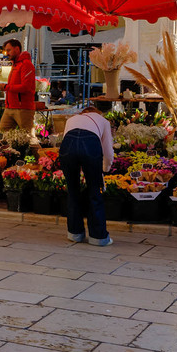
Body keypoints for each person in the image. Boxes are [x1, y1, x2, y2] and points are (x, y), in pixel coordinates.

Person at [59, 95, 115, 247]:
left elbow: (67, 142)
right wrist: (104, 170)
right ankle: (98, 237)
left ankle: (75, 234)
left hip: (68, 146)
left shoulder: (71, 120)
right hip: (90, 144)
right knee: (94, 191)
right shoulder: (103, 121)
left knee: (73, 190)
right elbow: (108, 151)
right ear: (97, 113)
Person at [0, 39, 37, 133]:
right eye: (6, 51)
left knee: (27, 136)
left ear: (17, 49)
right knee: (3, 131)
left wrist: (5, 87)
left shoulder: (26, 65)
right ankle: (11, 147)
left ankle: (36, 148)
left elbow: (25, 87)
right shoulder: (15, 65)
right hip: (10, 107)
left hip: (23, 108)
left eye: (9, 50)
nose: (6, 53)